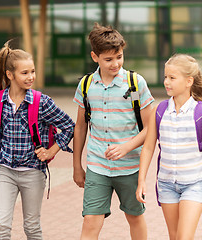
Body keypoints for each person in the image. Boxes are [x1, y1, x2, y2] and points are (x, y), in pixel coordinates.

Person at [0, 40, 75, 240]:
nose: (31, 77)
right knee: (1, 227)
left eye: (32, 71)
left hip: (33, 173)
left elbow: (70, 126)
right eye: (24, 73)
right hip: (6, 171)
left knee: (32, 227)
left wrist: (51, 151)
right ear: (10, 75)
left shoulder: (41, 102)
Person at [73, 22, 154, 240]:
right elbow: (80, 127)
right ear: (94, 56)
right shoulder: (86, 85)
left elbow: (150, 127)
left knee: (134, 217)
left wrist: (126, 147)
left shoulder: (135, 84)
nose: (115, 63)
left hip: (130, 167)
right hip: (97, 165)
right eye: (108, 59)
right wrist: (77, 166)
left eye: (119, 57)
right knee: (90, 220)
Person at [136, 54, 202, 240]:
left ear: (189, 81)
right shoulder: (159, 110)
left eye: (172, 78)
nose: (166, 82)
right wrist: (141, 181)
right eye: (166, 77)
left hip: (195, 184)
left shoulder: (199, 112)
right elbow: (148, 148)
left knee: (184, 237)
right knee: (174, 237)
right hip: (166, 185)